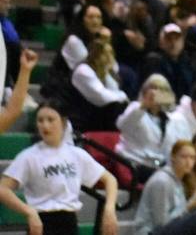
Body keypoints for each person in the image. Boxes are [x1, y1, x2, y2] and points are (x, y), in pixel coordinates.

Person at [0, 101, 118, 235]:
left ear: (63, 123)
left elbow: (110, 180)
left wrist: (109, 209)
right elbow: (3, 188)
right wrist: (29, 211)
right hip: (41, 223)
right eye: (40, 120)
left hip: (69, 222)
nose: (45, 125)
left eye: (50, 120)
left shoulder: (76, 154)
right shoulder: (29, 156)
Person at [134, 139, 196, 235]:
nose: (188, 162)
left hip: (166, 228)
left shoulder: (179, 180)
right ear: (173, 157)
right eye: (184, 157)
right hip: (150, 232)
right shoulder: (161, 181)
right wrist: (189, 206)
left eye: (192, 158)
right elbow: (161, 223)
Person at [116, 74, 177, 181]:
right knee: (167, 179)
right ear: (145, 91)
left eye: (161, 89)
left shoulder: (168, 118)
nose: (156, 93)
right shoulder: (136, 108)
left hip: (157, 166)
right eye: (153, 88)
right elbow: (122, 125)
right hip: (134, 163)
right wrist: (144, 105)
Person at [69, 40, 129, 132]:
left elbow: (114, 92)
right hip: (83, 120)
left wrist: (106, 71)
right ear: (95, 55)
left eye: (111, 53)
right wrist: (122, 95)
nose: (110, 57)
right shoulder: (83, 70)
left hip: (100, 119)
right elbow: (102, 98)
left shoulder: (107, 71)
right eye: (105, 54)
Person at [141, 23, 196, 101]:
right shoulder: (153, 62)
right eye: (169, 39)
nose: (173, 43)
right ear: (161, 43)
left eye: (177, 39)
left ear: (183, 42)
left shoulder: (191, 63)